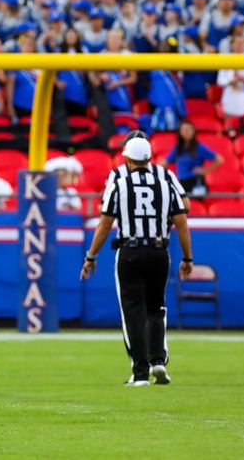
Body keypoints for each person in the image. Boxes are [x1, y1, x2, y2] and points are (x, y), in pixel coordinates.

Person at [80, 135, 193, 387]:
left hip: (130, 251)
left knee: (133, 311)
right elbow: (182, 219)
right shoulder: (165, 181)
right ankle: (158, 361)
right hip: (159, 250)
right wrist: (187, 256)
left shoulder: (119, 181)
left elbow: (105, 222)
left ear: (128, 159)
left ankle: (140, 372)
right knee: (156, 308)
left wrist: (91, 255)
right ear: (150, 158)